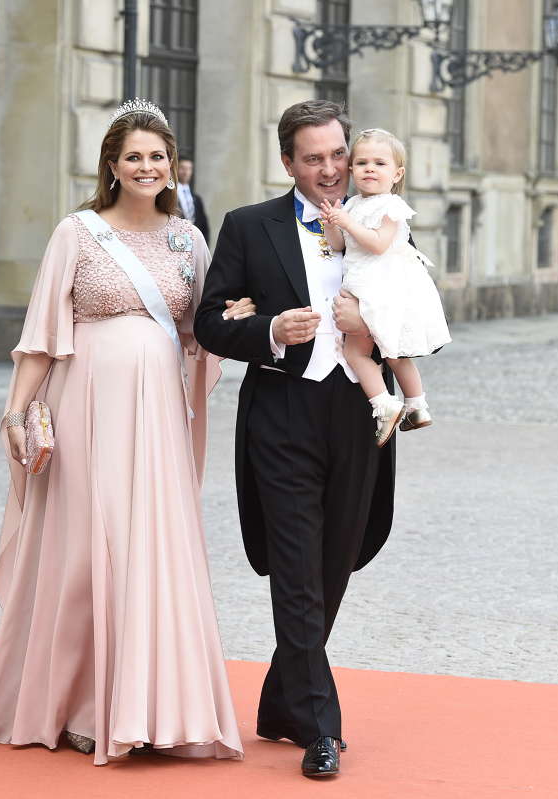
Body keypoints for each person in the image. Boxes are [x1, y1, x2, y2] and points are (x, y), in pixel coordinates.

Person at [0, 99, 252, 766]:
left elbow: (205, 333)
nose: (147, 166)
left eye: (157, 156)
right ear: (112, 165)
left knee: (151, 549)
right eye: (134, 156)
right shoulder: (77, 233)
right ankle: (81, 706)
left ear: (173, 166)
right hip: (85, 408)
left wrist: (242, 317)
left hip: (159, 421)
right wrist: (14, 412)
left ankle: (158, 709)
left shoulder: (190, 239)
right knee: (88, 550)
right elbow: (40, 337)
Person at [193, 100, 396, 779]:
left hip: (357, 412)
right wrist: (271, 330)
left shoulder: (382, 218)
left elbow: (414, 302)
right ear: (288, 162)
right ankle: (320, 726)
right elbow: (214, 318)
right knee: (297, 571)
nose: (333, 169)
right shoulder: (250, 227)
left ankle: (283, 701)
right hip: (281, 414)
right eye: (315, 158)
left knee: (336, 561)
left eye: (339, 153)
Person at [320, 128, 452, 447]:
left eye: (380, 163)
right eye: (362, 162)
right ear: (351, 170)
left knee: (360, 351)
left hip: (381, 287)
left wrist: (348, 223)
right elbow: (341, 245)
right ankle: (416, 407)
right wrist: (331, 224)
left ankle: (387, 404)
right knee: (391, 353)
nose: (369, 169)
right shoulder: (351, 205)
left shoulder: (391, 206)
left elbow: (378, 244)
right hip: (363, 282)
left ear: (397, 173)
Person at [176, 157, 210, 243]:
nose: (186, 172)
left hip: (195, 244)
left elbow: (204, 225)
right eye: (182, 168)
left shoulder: (197, 198)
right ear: (175, 169)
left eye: (189, 169)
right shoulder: (169, 196)